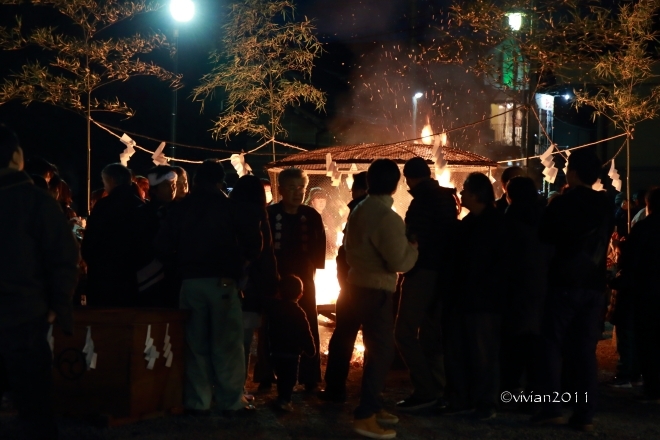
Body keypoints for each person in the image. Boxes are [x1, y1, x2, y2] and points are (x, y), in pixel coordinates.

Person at [155, 159, 262, 416]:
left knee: (195, 345)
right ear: (220, 182)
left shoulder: (180, 209)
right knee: (227, 344)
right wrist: (239, 267)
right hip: (223, 283)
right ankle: (230, 401)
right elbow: (254, 244)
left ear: (194, 181)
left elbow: (161, 247)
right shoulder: (230, 208)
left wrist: (180, 268)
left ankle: (198, 401)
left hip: (190, 283)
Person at [0, 125, 79, 440]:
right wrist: (57, 306)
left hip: (24, 310)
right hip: (26, 312)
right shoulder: (36, 201)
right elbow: (63, 258)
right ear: (17, 157)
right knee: (34, 402)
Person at [533, 149, 614, 431]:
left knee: (552, 345)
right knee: (585, 350)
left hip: (564, 283)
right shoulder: (605, 205)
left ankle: (551, 408)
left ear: (574, 173)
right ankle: (585, 414)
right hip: (593, 285)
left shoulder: (562, 204)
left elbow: (544, 238)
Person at [343, 159, 418, 439]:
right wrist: (413, 249)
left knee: (376, 349)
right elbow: (400, 261)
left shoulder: (360, 208)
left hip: (356, 286)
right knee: (382, 351)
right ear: (396, 185)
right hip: (376, 290)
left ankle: (374, 406)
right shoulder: (387, 218)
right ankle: (366, 416)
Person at [395, 157, 459, 411]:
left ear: (408, 178)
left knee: (404, 332)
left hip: (422, 273)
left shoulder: (421, 201)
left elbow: (414, 239)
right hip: (444, 274)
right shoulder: (447, 199)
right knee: (431, 334)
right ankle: (439, 388)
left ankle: (425, 390)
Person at [443, 172, 508, 420]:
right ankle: (463, 398)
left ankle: (486, 401)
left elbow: (497, 265)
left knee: (484, 353)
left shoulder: (494, 224)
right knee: (461, 351)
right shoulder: (470, 223)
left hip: (484, 301)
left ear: (476, 194)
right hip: (465, 299)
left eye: (465, 191)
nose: (461, 195)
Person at [266, 168, 326, 391]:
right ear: (280, 189)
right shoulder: (270, 215)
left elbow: (319, 251)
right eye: (291, 188)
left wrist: (312, 273)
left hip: (305, 280)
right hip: (277, 278)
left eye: (300, 187)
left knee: (309, 321)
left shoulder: (312, 216)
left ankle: (310, 377)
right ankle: (267, 374)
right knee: (272, 325)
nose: (297, 192)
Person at [319, 171, 368, 403]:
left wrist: (344, 283)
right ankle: (369, 391)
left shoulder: (359, 212)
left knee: (344, 336)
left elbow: (344, 254)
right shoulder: (377, 213)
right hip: (370, 287)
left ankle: (335, 388)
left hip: (352, 286)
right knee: (372, 338)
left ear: (359, 191)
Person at [499, 176, 548, 396]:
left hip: (517, 286)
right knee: (536, 340)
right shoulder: (545, 215)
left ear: (510, 195)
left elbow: (505, 256)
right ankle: (534, 389)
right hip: (542, 284)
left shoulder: (511, 219)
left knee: (514, 340)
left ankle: (510, 388)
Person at [229, 175, 279, 388]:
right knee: (244, 340)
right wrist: (272, 283)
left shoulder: (226, 212)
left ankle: (222, 386)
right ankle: (237, 387)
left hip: (226, 281)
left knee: (228, 337)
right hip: (251, 286)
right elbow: (265, 253)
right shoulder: (259, 214)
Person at [617, 186, 660, 402]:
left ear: (648, 205)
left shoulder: (643, 228)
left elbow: (629, 261)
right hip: (649, 289)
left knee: (648, 340)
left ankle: (653, 388)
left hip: (647, 292)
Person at [81, 163, 145, 307]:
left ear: (111, 180)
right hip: (134, 276)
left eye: (104, 181)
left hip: (103, 276)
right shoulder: (140, 206)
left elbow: (91, 240)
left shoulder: (104, 206)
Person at [267, 275, 316, 411]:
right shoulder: (298, 312)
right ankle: (285, 400)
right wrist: (310, 349)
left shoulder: (274, 309)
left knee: (281, 375)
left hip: (276, 351)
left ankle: (280, 397)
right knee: (289, 378)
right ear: (300, 294)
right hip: (292, 353)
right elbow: (305, 332)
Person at [134, 166, 178, 307]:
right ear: (154, 188)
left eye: (174, 184)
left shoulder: (179, 211)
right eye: (167, 185)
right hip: (148, 275)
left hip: (174, 276)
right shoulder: (144, 213)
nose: (172, 189)